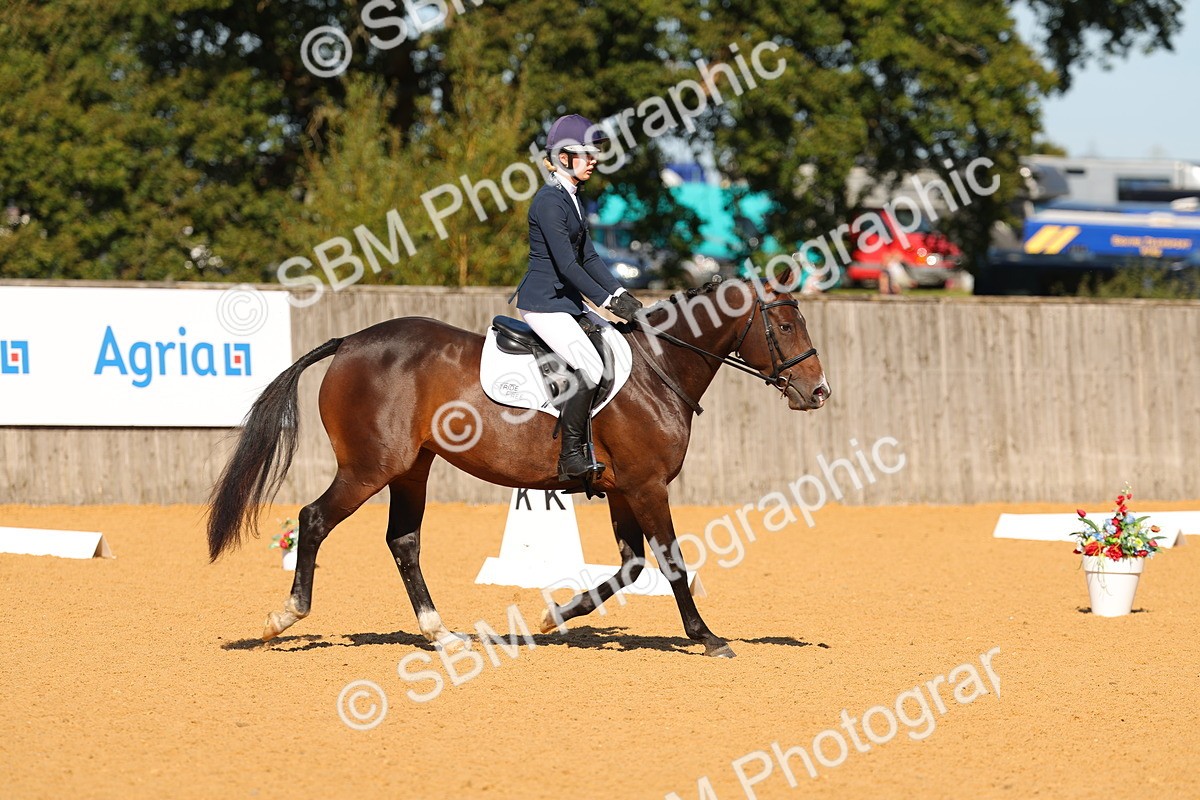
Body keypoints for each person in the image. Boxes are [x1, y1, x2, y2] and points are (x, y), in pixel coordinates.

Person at [512, 114, 645, 484]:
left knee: (618, 348)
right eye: (587, 154)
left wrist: (621, 295)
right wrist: (607, 301)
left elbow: (589, 257)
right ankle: (570, 456)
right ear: (565, 157)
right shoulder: (549, 203)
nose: (595, 160)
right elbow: (568, 265)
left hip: (568, 303)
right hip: (543, 304)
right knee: (589, 366)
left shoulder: (571, 199)